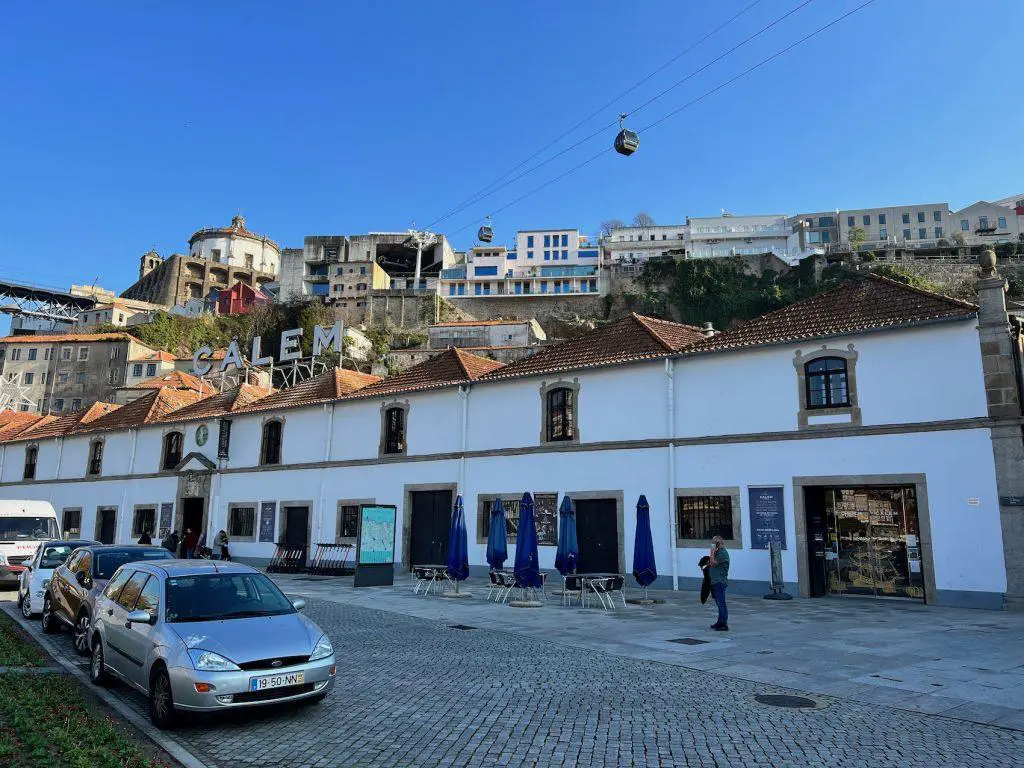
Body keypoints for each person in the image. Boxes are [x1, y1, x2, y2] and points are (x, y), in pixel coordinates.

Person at [708, 535, 730, 632]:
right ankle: (720, 622)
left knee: (721, 603)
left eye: (713, 543)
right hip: (715, 581)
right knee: (719, 602)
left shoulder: (722, 553)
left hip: (720, 581)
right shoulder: (718, 552)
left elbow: (712, 563)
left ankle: (723, 623)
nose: (712, 545)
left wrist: (712, 552)